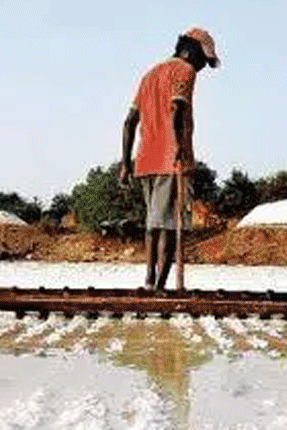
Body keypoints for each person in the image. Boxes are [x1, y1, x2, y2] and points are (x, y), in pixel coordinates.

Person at [118, 27, 219, 291]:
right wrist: (176, 147)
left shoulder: (149, 74)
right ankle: (160, 287)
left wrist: (126, 163)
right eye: (202, 60)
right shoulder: (184, 70)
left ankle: (150, 281)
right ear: (189, 50)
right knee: (171, 226)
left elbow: (129, 122)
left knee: (154, 223)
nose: (201, 68)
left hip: (144, 161)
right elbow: (176, 108)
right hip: (171, 160)